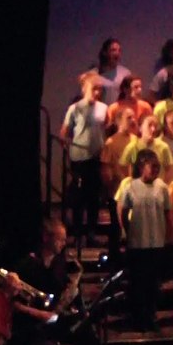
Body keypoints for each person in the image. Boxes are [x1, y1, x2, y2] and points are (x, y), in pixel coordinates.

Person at [120, 149, 173, 330]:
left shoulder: (162, 187)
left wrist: (169, 234)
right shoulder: (131, 186)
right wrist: (128, 231)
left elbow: (168, 212)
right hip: (138, 243)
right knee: (138, 282)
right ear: (141, 166)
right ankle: (138, 316)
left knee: (153, 283)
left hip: (156, 242)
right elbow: (123, 211)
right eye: (151, 166)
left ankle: (151, 316)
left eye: (157, 167)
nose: (154, 170)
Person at [61, 72, 108, 245]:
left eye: (99, 89)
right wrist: (69, 148)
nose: (97, 92)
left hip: (96, 156)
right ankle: (78, 232)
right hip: (79, 157)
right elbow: (64, 132)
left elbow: (106, 127)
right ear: (85, 88)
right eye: (94, 88)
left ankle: (91, 232)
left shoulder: (103, 108)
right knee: (79, 195)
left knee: (93, 195)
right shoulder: (75, 108)